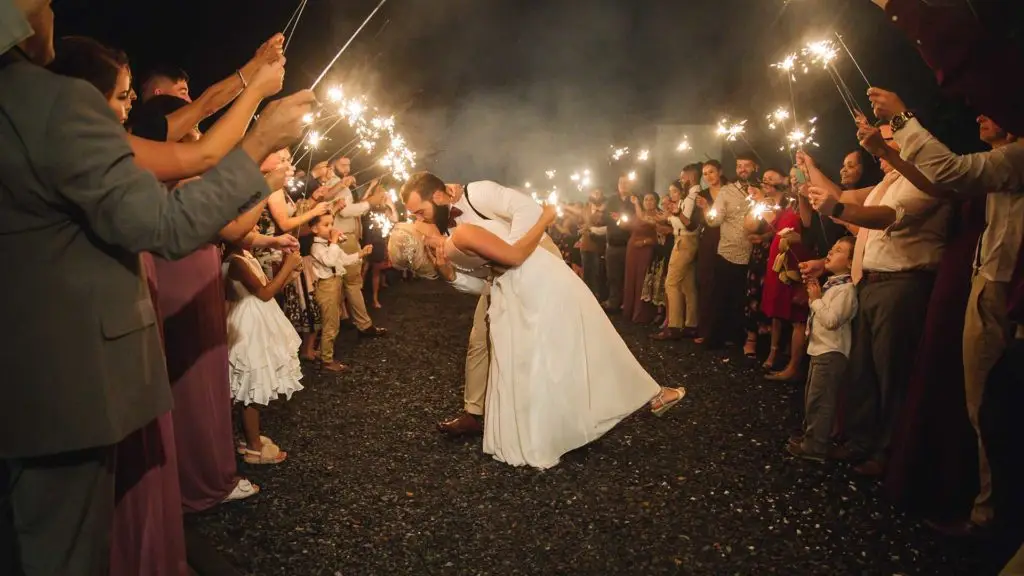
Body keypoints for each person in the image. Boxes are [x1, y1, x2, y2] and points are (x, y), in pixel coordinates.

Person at [0, 3, 315, 574]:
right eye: (43, 1)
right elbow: (166, 221)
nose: (48, 11)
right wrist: (263, 132)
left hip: (22, 375)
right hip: (62, 386)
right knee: (64, 551)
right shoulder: (45, 102)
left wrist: (248, 79)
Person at [390, 190, 686, 468]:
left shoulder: (461, 225)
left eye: (418, 213)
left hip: (517, 289)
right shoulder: (458, 239)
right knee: (585, 344)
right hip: (532, 281)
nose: (419, 218)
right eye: (415, 219)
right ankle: (631, 401)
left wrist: (454, 274)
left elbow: (493, 271)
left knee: (539, 363)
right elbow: (513, 257)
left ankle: (543, 432)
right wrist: (545, 219)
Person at [399, 174, 562, 435]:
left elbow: (527, 209)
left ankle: (546, 411)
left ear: (438, 197)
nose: (419, 219)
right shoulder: (445, 229)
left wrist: (511, 254)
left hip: (538, 262)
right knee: (479, 339)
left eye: (420, 212)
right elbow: (482, 279)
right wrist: (451, 276)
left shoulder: (478, 193)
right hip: (500, 280)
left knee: (545, 340)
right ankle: (473, 413)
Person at [224, 240, 306, 465]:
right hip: (250, 324)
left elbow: (267, 285)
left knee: (252, 385)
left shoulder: (245, 257)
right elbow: (264, 293)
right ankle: (254, 448)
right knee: (252, 386)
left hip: (258, 318)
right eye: (252, 229)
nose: (258, 231)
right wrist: (287, 265)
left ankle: (249, 437)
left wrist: (288, 274)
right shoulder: (237, 262)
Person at [787, 237, 857, 462]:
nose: (830, 251)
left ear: (850, 263)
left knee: (821, 401)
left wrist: (816, 300)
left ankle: (816, 446)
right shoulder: (832, 285)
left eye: (839, 251)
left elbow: (832, 320)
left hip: (831, 352)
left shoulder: (845, 290)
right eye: (832, 248)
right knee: (813, 398)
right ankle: (811, 438)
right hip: (820, 350)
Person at [310, 213, 374, 372]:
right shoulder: (317, 246)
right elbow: (330, 261)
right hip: (327, 286)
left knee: (332, 321)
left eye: (332, 223)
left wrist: (361, 253)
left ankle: (322, 352)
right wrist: (333, 242)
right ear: (314, 229)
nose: (331, 228)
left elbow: (343, 260)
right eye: (326, 225)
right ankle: (327, 361)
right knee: (331, 325)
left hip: (335, 283)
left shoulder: (330, 245)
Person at [653, 168, 701, 341]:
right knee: (688, 285)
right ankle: (691, 323)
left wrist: (669, 218)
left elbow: (685, 222)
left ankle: (674, 325)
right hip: (688, 240)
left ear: (692, 176)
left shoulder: (691, 196)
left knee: (671, 283)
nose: (681, 180)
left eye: (683, 177)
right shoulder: (693, 195)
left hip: (684, 241)